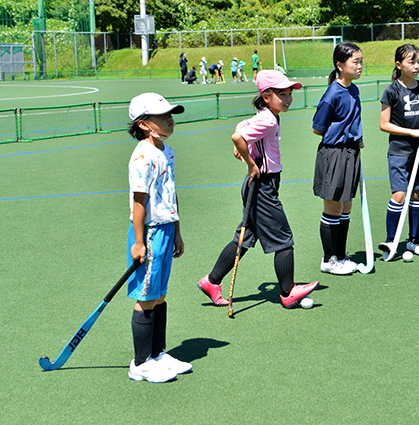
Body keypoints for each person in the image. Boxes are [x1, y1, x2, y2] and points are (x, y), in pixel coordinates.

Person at [197, 70, 319, 309]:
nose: (287, 98)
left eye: (289, 94)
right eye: (281, 94)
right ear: (266, 96)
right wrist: (250, 162)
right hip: (262, 185)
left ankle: (211, 281)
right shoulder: (268, 119)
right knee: (283, 238)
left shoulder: (266, 114)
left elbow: (242, 126)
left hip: (262, 185)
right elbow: (237, 136)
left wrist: (244, 148)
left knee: (245, 237)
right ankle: (288, 291)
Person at [126, 93, 192, 383]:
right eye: (162, 115)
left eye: (170, 113)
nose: (170, 118)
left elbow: (171, 193)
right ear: (144, 124)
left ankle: (158, 354)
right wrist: (139, 242)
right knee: (146, 297)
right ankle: (140, 363)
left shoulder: (168, 150)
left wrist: (177, 230)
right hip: (149, 232)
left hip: (166, 229)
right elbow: (139, 202)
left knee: (160, 294)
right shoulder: (143, 155)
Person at [378, 44, 419, 257]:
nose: (416, 66)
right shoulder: (392, 91)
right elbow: (384, 124)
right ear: (398, 64)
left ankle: (414, 240)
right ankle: (391, 241)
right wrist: (413, 133)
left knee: (417, 194)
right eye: (411, 62)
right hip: (399, 151)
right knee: (399, 194)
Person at [312, 42, 364, 275]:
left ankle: (341, 257)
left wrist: (357, 140)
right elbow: (318, 128)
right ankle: (328, 260)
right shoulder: (332, 93)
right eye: (356, 61)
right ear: (340, 65)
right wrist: (341, 137)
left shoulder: (354, 89)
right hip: (334, 153)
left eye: (361, 61)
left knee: (346, 207)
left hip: (352, 152)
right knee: (333, 208)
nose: (360, 65)